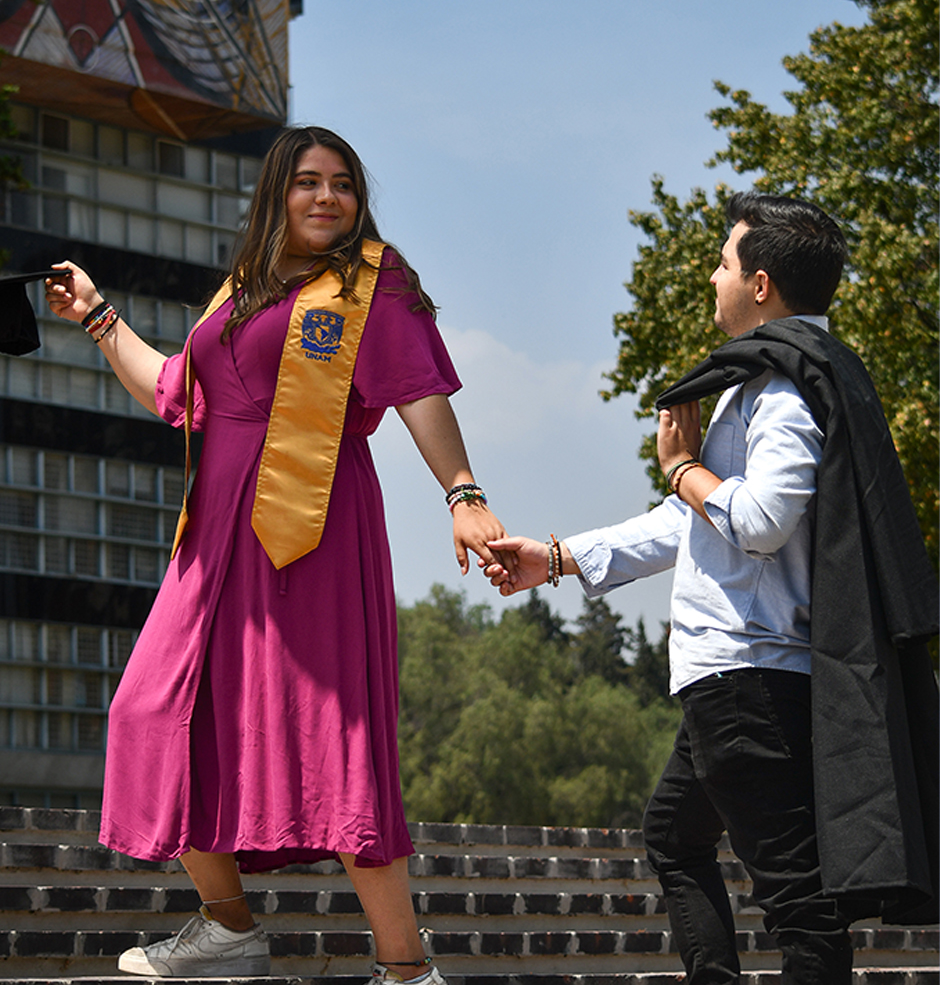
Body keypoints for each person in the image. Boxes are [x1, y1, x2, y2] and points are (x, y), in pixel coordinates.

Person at [44, 126, 510, 982]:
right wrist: (99, 315)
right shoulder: (240, 294)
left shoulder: (374, 280)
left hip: (315, 530)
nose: (327, 197)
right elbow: (170, 388)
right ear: (276, 195)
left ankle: (407, 969)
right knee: (149, 713)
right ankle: (229, 932)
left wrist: (464, 494)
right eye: (307, 182)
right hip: (214, 541)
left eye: (343, 183)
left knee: (336, 739)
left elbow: (420, 393)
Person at [482, 192, 938, 985]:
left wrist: (686, 469)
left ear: (760, 284)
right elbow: (693, 523)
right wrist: (555, 558)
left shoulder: (785, 391)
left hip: (747, 680)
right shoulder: (780, 375)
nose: (713, 276)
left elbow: (756, 519)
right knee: (674, 837)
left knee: (801, 907)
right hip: (736, 676)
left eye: (724, 262)